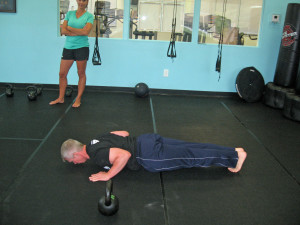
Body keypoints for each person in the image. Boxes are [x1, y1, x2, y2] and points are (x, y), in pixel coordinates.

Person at [60, 131, 247, 182]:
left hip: (149, 155)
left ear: (76, 154)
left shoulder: (97, 156)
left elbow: (124, 156)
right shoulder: (95, 139)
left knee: (192, 156)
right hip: (147, 140)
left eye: (72, 161)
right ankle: (233, 151)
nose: (75, 163)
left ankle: (235, 158)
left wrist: (107, 175)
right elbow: (123, 133)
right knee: (193, 147)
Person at [50, 0, 93, 108]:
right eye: (80, 0)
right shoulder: (69, 14)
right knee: (62, 74)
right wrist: (76, 31)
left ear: (87, 2)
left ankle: (78, 99)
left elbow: (85, 32)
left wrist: (69, 28)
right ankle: (60, 98)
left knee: (81, 73)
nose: (81, 3)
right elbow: (63, 30)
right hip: (68, 47)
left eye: (84, 1)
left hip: (82, 47)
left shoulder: (89, 16)